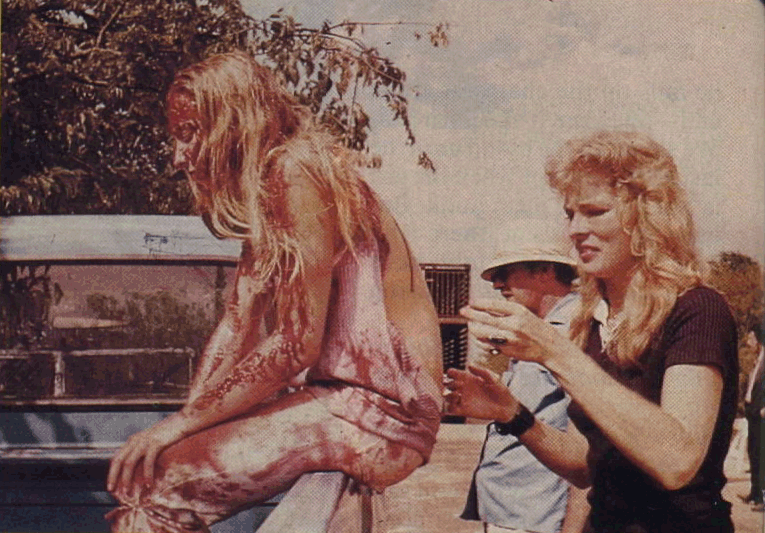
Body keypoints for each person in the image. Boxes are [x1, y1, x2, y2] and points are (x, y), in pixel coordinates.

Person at [105, 51, 443, 532]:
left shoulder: (296, 171)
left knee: (158, 487)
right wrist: (185, 420)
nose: (177, 157)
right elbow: (238, 322)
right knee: (159, 463)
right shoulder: (271, 186)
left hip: (383, 416)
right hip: (352, 404)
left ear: (232, 125)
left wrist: (180, 427)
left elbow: (294, 345)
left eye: (189, 135)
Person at [445, 130, 739, 533]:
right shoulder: (596, 321)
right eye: (570, 214)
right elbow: (587, 464)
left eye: (595, 211)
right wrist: (512, 414)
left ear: (647, 215)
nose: (574, 230)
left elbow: (677, 461)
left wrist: (554, 351)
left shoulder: (697, 309)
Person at [454, 229, 590, 533]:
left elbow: (590, 447)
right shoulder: (537, 331)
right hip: (511, 510)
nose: (497, 283)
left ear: (545, 270)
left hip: (538, 517)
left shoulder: (576, 331)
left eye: (505, 272)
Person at [739, 322, 764, 511]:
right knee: (754, 454)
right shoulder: (757, 359)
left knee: (762, 456)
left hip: (762, 415)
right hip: (752, 414)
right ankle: (755, 494)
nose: (748, 341)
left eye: (751, 337)